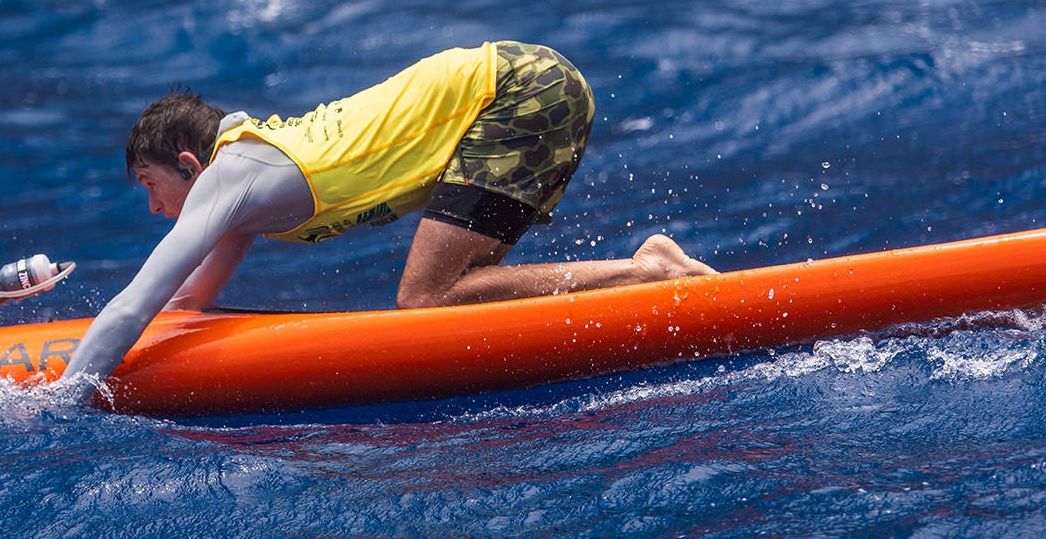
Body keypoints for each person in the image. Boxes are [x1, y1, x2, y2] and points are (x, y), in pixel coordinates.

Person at [58, 41, 716, 395]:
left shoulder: (231, 175)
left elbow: (134, 305)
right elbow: (185, 301)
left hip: (517, 91)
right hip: (528, 87)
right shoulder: (242, 192)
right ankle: (644, 283)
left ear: (187, 164)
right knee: (459, 295)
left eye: (150, 185)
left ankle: (648, 270)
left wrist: (58, 399)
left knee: (424, 299)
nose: (152, 206)